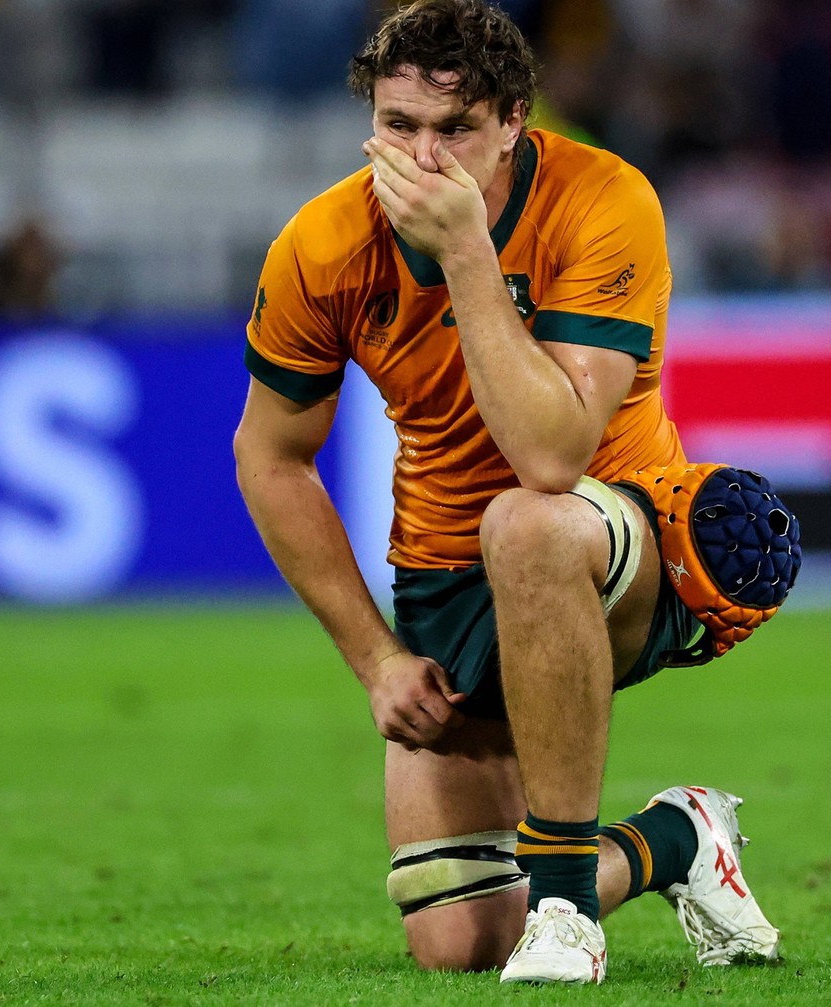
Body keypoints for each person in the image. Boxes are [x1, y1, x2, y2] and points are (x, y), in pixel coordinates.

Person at [233, 0, 787, 986]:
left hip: (622, 542)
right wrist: (377, 659)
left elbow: (552, 455)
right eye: (399, 127)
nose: (422, 156)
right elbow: (270, 456)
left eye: (455, 129)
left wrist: (466, 255)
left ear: (515, 120)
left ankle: (568, 909)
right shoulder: (322, 246)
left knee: (526, 521)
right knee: (462, 942)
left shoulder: (605, 200)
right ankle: (677, 838)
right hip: (447, 581)